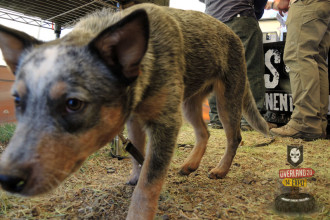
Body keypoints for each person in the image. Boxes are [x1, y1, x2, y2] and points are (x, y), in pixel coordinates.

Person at [200, 0, 268, 131]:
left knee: (216, 72)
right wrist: (256, 12)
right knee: (250, 69)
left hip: (211, 21)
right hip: (238, 16)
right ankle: (249, 121)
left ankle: (217, 119)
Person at [270, 0, 329, 140]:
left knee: (297, 55)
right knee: (317, 59)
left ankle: (304, 121)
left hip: (307, 3)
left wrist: (283, 1)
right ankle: (317, 123)